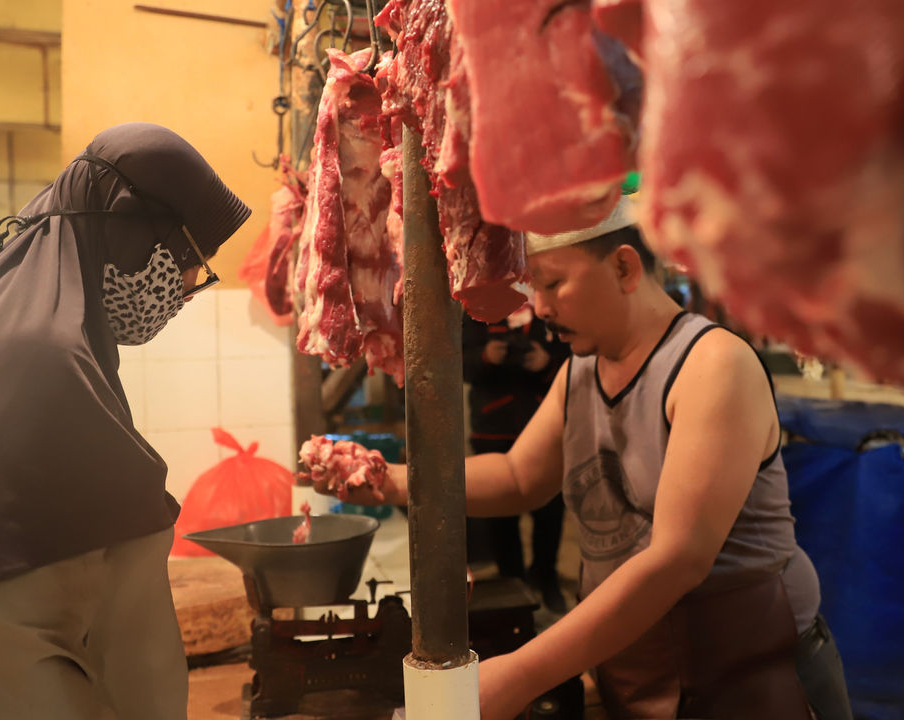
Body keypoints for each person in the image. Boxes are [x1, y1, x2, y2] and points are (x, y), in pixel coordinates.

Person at [333, 197, 853, 719]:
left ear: (624, 267)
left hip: (748, 677)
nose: (539, 306)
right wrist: (391, 480)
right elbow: (518, 478)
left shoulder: (712, 366)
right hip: (637, 671)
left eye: (552, 283)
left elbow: (677, 560)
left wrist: (520, 675)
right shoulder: (581, 371)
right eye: (532, 286)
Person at [0, 122, 251, 720]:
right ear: (131, 227)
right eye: (193, 259)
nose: (188, 286)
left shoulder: (20, 311)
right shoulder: (48, 355)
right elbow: (123, 637)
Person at [463, 307, 570, 613]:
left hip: (545, 426)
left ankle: (546, 577)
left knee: (550, 510)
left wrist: (547, 362)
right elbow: (458, 364)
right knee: (500, 515)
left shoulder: (549, 309)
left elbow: (578, 360)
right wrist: (487, 356)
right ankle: (513, 583)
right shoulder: (478, 309)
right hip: (493, 428)